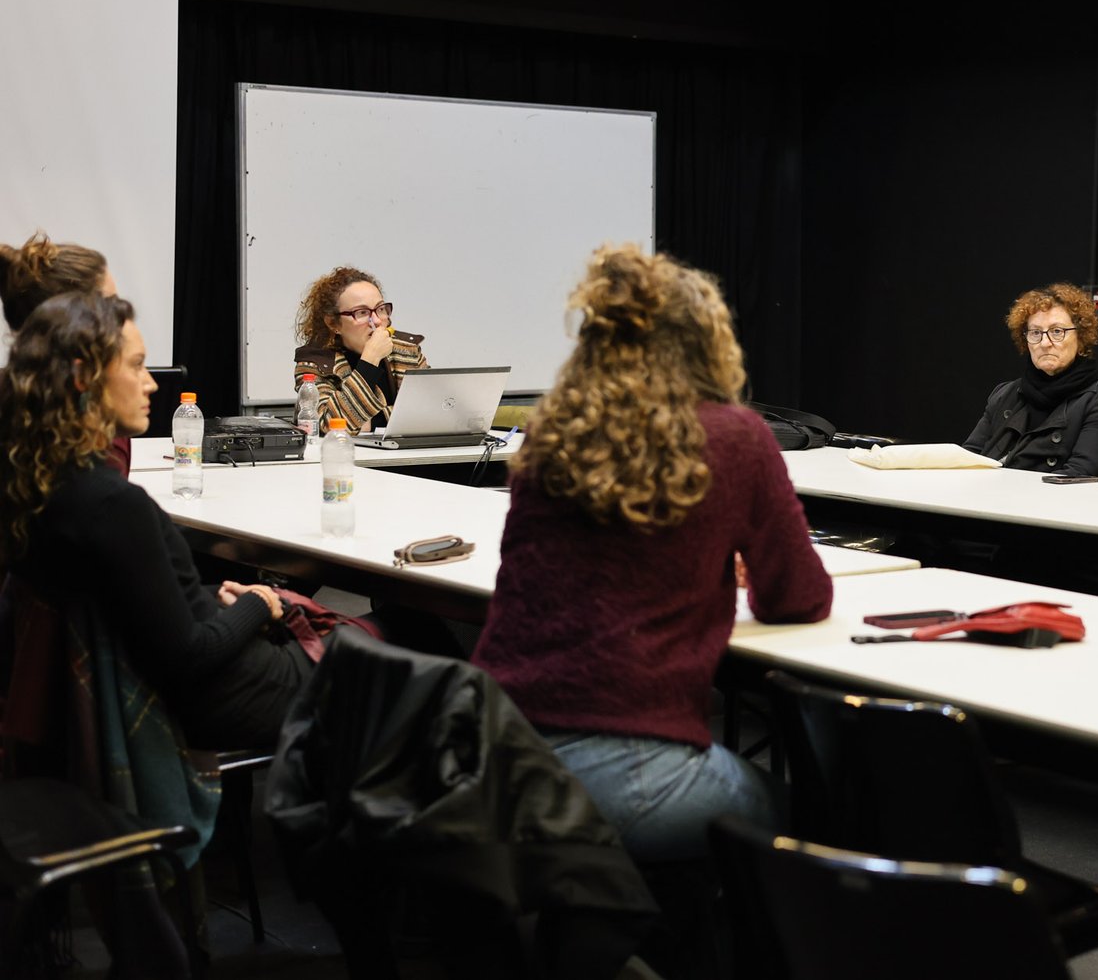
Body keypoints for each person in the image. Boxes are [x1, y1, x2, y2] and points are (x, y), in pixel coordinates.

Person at [471, 243, 832, 862]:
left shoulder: (551, 430)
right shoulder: (735, 436)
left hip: (491, 748)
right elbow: (798, 599)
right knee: (826, 822)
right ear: (705, 343)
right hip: (632, 767)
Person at [0, 292, 316, 750]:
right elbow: (190, 654)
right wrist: (260, 602)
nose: (150, 384)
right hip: (208, 697)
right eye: (136, 366)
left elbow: (133, 604)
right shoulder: (111, 505)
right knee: (406, 647)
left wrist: (216, 597)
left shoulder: (36, 484)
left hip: (121, 699)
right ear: (83, 377)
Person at [0, 231, 131, 475]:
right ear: (68, 317)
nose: (122, 318)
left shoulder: (14, 396)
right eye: (111, 305)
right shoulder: (89, 416)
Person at [963, 282, 1098, 474]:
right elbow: (967, 459)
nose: (1045, 343)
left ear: (1081, 338)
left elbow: (1081, 474)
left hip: (1051, 502)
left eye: (1057, 331)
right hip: (983, 499)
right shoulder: (1005, 394)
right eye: (1035, 332)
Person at [292, 266, 428, 433]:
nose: (377, 321)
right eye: (362, 312)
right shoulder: (315, 363)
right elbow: (326, 425)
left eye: (380, 309)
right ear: (333, 323)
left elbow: (431, 411)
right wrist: (370, 361)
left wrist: (373, 421)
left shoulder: (406, 350)